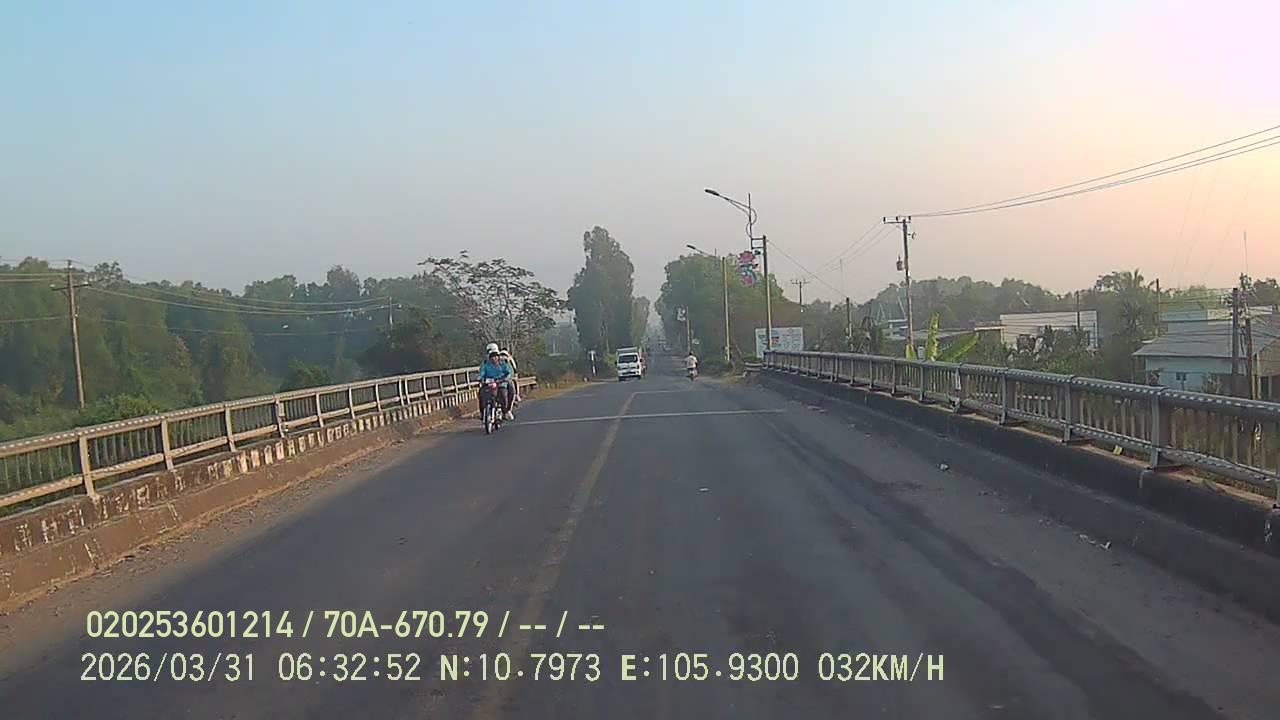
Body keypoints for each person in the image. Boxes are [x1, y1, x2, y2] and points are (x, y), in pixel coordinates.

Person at [478, 345, 514, 420]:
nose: (494, 358)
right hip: (488, 384)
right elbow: (481, 373)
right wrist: (480, 379)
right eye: (492, 356)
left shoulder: (503, 363)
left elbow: (509, 372)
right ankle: (482, 413)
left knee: (504, 394)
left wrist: (505, 379)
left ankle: (506, 411)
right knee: (481, 394)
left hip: (501, 383)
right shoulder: (485, 364)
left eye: (495, 355)